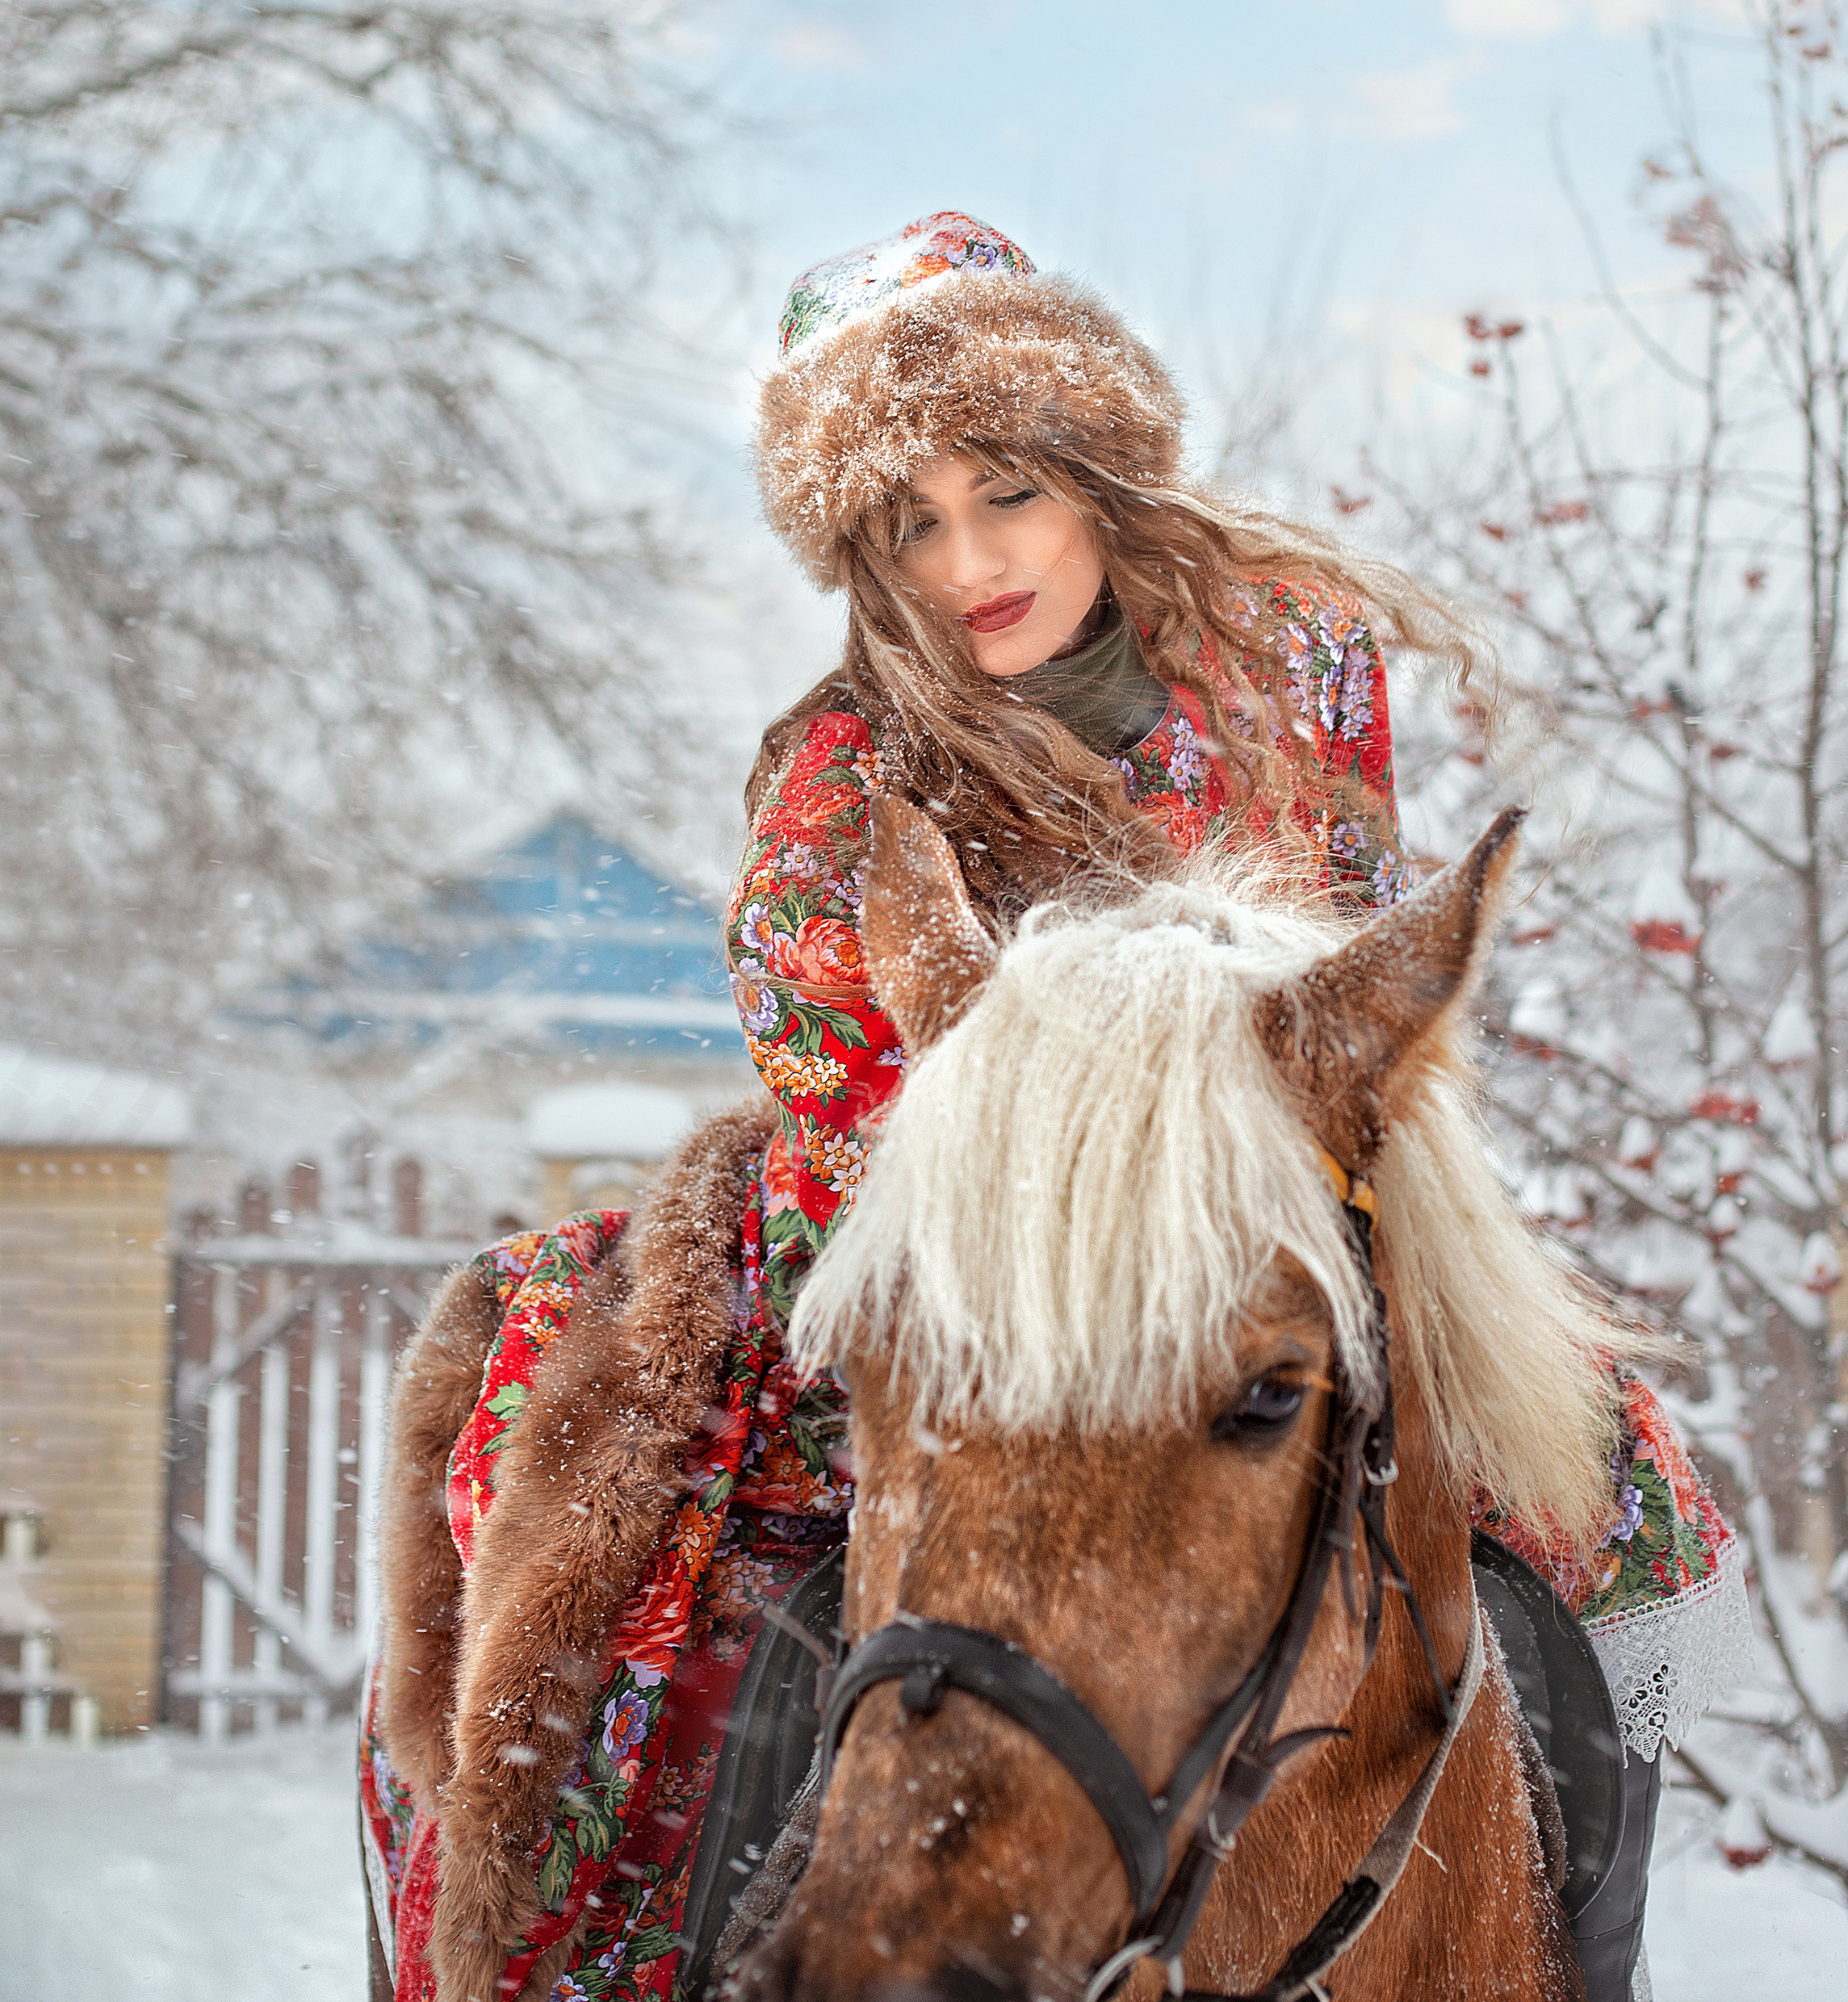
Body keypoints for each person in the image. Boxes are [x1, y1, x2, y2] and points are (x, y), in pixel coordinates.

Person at [362, 213, 1749, 2002]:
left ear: (1090, 470)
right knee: (682, 1640)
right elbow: (870, 1129)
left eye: (1002, 491)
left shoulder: (1295, 656)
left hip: (1259, 1190)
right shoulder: (837, 783)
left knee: (1594, 1516)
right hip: (954, 1240)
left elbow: (1330, 960)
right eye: (907, 524)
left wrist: (1278, 1172)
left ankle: (1571, 1950)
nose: (967, 561)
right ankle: (656, 1943)